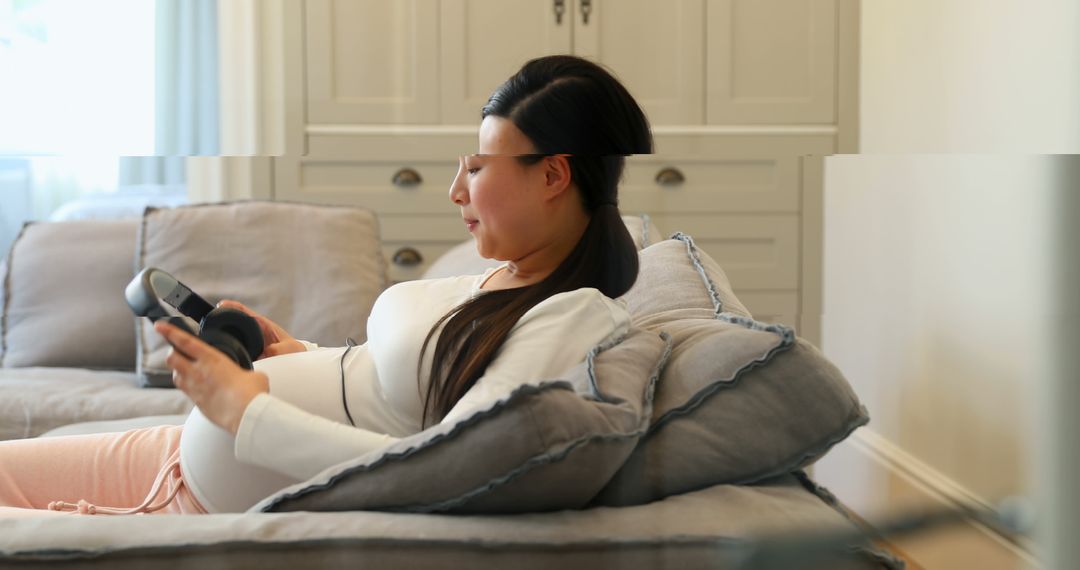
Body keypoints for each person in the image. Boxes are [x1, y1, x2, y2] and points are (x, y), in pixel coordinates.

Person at [0, 54, 653, 516]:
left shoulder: (573, 318)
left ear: (554, 176)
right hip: (175, 454)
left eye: (478, 167)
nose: (457, 190)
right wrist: (300, 354)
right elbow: (396, 393)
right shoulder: (507, 280)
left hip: (187, 501)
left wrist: (244, 411)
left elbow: (443, 467)